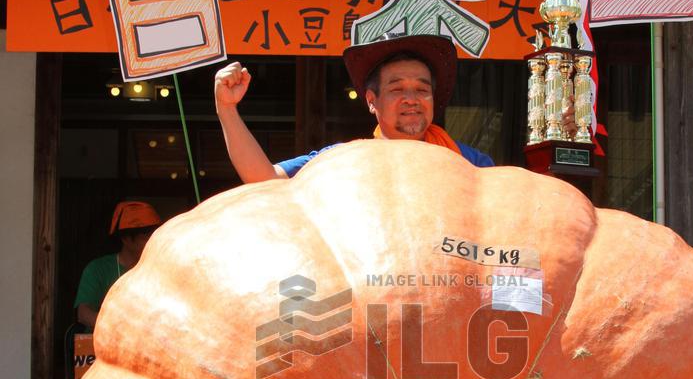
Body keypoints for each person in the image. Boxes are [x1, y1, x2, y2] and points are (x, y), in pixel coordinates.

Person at [214, 34, 494, 183]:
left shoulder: (472, 163)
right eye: (397, 89)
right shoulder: (344, 161)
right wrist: (226, 109)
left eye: (422, 90)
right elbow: (265, 180)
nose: (412, 98)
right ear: (372, 101)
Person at [74, 201, 162, 330]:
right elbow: (83, 314)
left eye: (154, 235)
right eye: (145, 236)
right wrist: (119, 329)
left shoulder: (159, 270)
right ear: (125, 238)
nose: (152, 241)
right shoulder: (98, 269)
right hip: (104, 345)